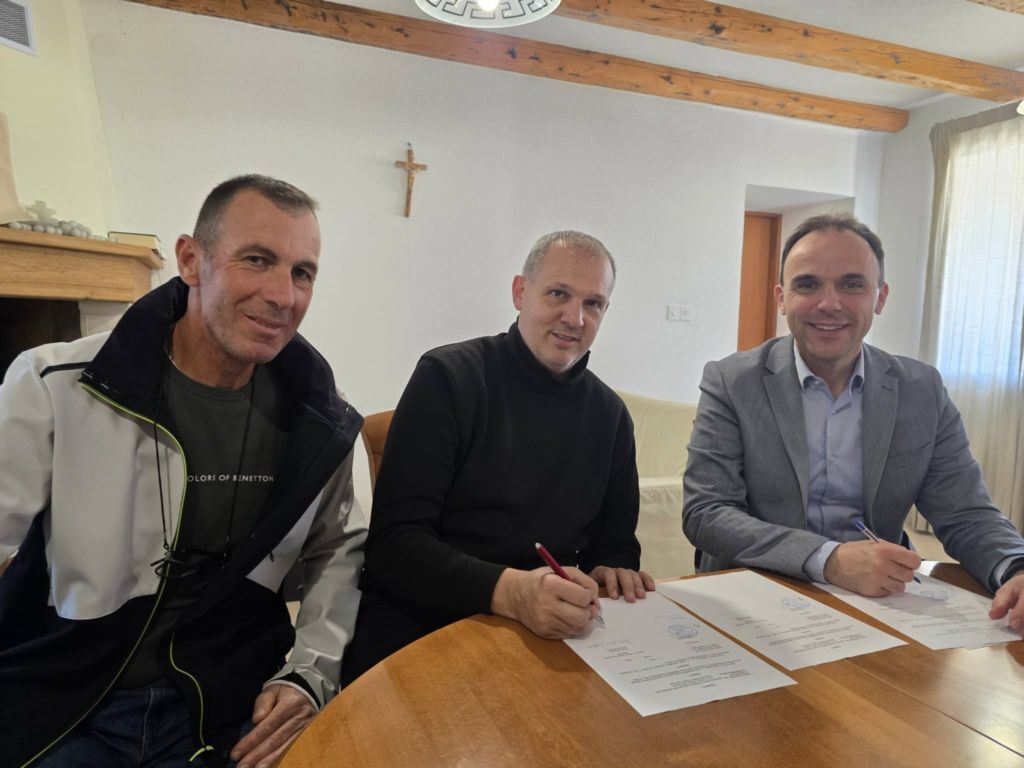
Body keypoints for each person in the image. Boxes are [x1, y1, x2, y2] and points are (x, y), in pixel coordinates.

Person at [0, 175, 367, 767]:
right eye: (257, 259)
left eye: (302, 273)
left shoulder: (323, 420)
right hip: (70, 698)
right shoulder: (53, 385)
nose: (283, 295)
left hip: (229, 700)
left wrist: (308, 675)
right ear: (191, 261)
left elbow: (339, 551)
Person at [340, 231, 654, 684]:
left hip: (550, 638)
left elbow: (616, 542)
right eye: (558, 294)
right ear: (520, 292)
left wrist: (612, 568)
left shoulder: (611, 415)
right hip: (426, 625)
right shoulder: (447, 378)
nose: (575, 318)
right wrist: (511, 592)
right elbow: (394, 546)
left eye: (594, 303)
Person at [683, 213, 1024, 630]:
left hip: (881, 601)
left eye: (851, 284)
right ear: (782, 298)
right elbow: (707, 512)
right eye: (808, 284)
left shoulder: (921, 389)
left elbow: (966, 513)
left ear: (879, 298)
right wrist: (829, 559)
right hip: (757, 594)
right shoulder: (732, 381)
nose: (830, 303)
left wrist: (1016, 568)